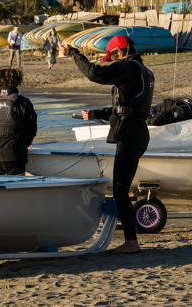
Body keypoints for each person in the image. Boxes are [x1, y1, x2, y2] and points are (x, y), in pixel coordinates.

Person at [63, 34, 154, 254]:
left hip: (130, 134)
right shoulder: (142, 71)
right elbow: (127, 107)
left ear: (121, 52)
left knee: (121, 190)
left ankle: (132, 243)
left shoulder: (128, 67)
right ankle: (131, 241)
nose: (112, 62)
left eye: (112, 57)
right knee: (121, 189)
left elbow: (95, 73)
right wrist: (98, 113)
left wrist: (74, 53)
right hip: (137, 133)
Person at [0, 67, 37, 174]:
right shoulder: (23, 102)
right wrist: (24, 143)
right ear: (17, 81)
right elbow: (32, 129)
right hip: (16, 154)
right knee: (16, 188)